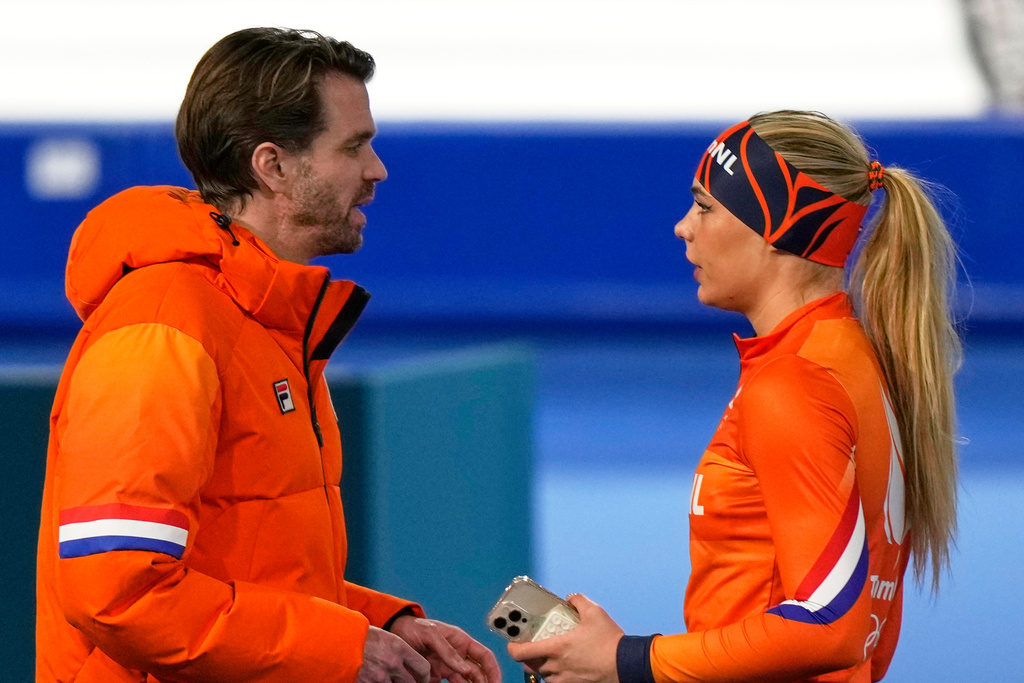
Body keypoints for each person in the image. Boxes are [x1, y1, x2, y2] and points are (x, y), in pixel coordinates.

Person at [36, 27, 501, 683]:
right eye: (355, 146)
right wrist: (339, 647)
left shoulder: (264, 322)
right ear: (273, 165)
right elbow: (118, 588)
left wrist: (381, 625)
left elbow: (249, 569)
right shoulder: (164, 326)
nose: (377, 170)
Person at [507, 111, 961, 682]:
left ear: (776, 229)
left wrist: (625, 661)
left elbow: (831, 624)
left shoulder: (794, 383)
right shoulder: (844, 356)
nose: (683, 227)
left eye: (705, 207)